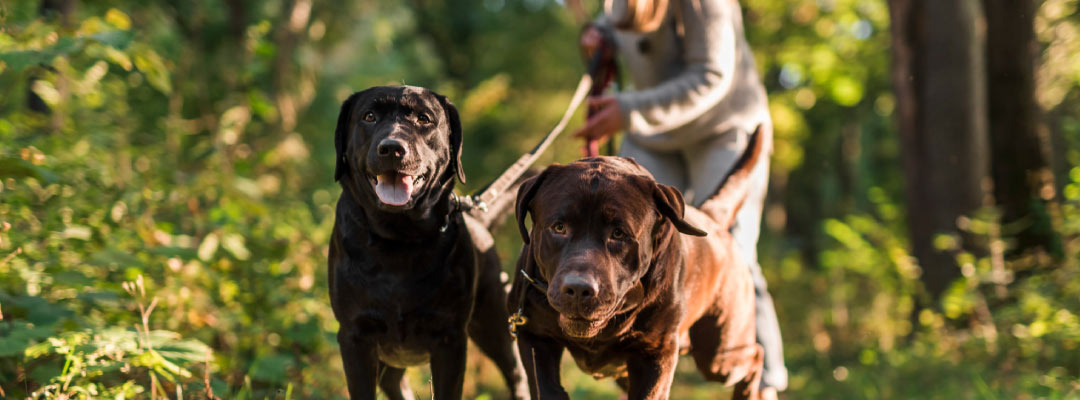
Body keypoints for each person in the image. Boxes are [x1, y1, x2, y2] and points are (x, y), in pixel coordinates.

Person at [572, 0, 787, 397]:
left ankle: (765, 382)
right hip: (654, 136)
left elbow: (711, 75)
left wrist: (628, 108)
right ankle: (637, 375)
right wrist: (599, 34)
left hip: (724, 128)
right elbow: (615, 18)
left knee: (733, 252)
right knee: (633, 247)